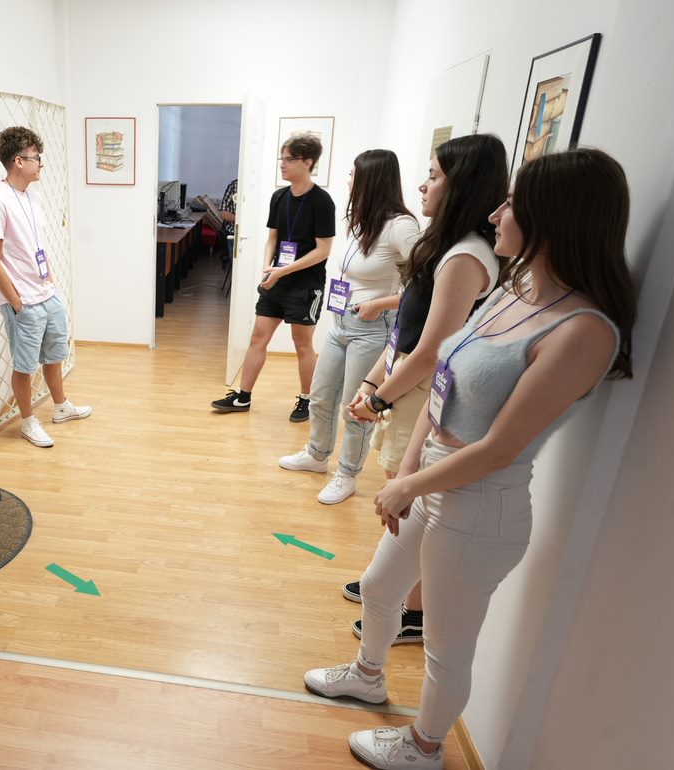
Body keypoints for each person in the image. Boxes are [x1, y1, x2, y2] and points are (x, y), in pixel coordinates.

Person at [304, 148, 636, 770]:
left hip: (481, 503)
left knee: (445, 643)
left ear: (555, 217)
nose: (495, 213)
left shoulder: (584, 331)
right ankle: (368, 676)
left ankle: (425, 747)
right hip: (432, 474)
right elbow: (443, 384)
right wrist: (407, 472)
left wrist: (411, 484)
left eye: (511, 205)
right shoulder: (515, 289)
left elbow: (501, 447)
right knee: (379, 587)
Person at [341, 134, 508, 644]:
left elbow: (433, 350)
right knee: (399, 489)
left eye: (434, 176)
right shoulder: (445, 247)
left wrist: (380, 397)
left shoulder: (466, 256)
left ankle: (411, 608)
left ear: (462, 186)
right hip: (406, 384)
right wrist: (373, 381)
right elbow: (406, 332)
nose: (423, 185)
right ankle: (390, 581)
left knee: (410, 496)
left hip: (423, 392)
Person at [278, 150, 419, 505]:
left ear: (372, 179)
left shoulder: (401, 226)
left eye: (353, 174)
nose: (349, 180)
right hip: (342, 321)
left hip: (372, 327)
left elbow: (425, 285)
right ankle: (317, 454)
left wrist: (379, 304)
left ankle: (347, 473)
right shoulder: (361, 218)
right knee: (321, 394)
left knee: (354, 407)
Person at [211, 134, 336, 422]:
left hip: (306, 285)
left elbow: (323, 250)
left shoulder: (322, 201)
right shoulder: (279, 197)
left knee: (302, 344)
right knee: (258, 337)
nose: (283, 164)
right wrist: (268, 266)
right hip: (276, 280)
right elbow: (273, 238)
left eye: (289, 159)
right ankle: (243, 396)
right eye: (282, 158)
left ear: (307, 162)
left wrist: (283, 271)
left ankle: (307, 400)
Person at [0, 126, 92, 448]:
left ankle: (61, 407)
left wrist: (51, 284)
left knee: (55, 354)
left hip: (46, 293)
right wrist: (16, 302)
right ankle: (28, 421)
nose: (41, 163)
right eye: (36, 157)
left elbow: (36, 246)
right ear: (19, 161)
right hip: (24, 302)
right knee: (25, 366)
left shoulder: (32, 196)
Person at [219, 177, 237, 261]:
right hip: (234, 235)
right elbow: (223, 213)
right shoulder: (234, 186)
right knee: (235, 264)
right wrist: (242, 220)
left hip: (254, 235)